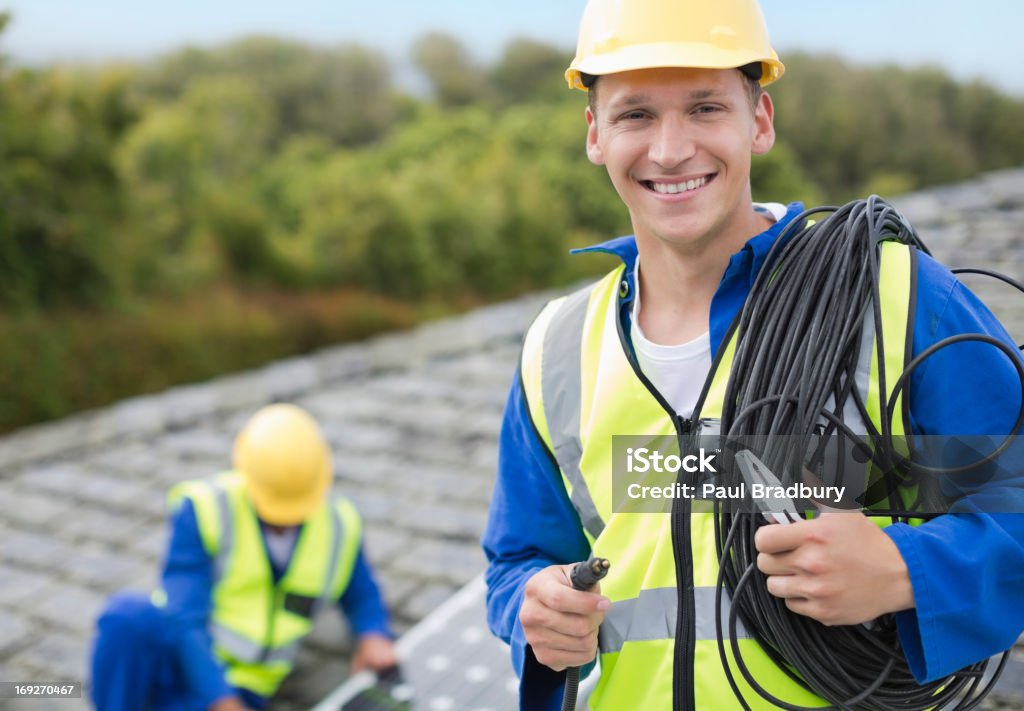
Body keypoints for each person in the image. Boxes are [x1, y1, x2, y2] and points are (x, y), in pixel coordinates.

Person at [481, 0, 1024, 709]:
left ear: (759, 120)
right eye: (635, 114)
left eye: (705, 107)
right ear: (595, 134)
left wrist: (904, 568)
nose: (671, 149)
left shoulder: (891, 295)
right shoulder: (557, 348)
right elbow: (518, 559)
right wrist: (531, 606)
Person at [91, 403, 397, 711]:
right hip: (180, 666)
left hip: (247, 687)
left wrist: (374, 634)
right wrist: (221, 700)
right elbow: (184, 616)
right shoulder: (205, 509)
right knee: (127, 616)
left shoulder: (340, 526)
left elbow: (361, 591)